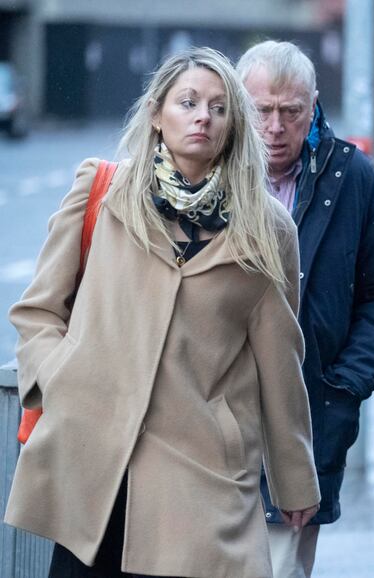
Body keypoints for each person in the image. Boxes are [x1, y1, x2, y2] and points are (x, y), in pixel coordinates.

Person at [4, 47, 320, 578]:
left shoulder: (268, 227)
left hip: (203, 472)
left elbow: (280, 359)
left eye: (219, 108)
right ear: (156, 113)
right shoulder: (102, 191)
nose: (203, 117)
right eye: (188, 102)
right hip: (97, 458)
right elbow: (37, 310)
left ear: (233, 124)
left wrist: (294, 478)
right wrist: (60, 380)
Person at [237, 41, 374, 577]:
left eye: (292, 111)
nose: (275, 126)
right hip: (214, 418)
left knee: (283, 568)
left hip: (308, 413)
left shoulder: (351, 175)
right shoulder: (209, 175)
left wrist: (346, 384)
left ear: (314, 104)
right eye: (261, 110)